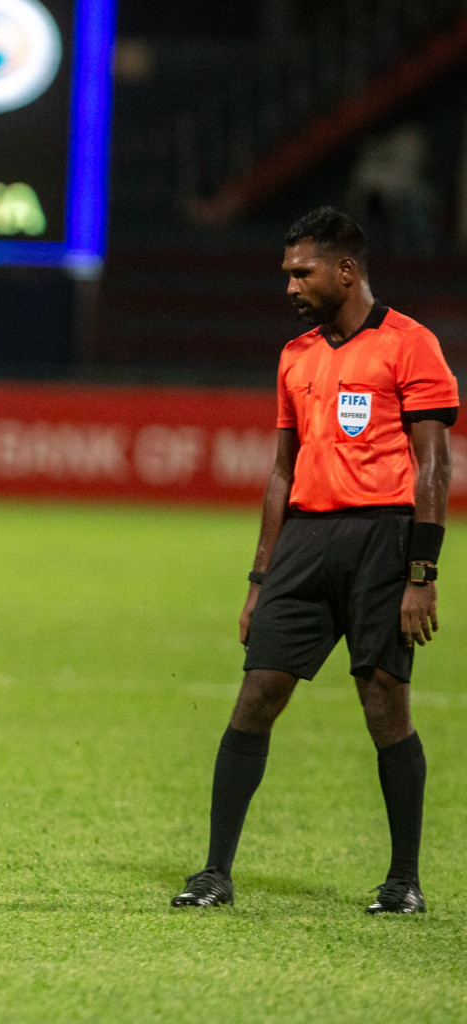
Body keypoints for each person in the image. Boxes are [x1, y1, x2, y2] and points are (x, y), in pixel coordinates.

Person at [172, 207, 455, 914]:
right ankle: (214, 872)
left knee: (383, 702)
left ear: (347, 269)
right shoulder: (296, 356)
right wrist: (259, 579)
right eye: (287, 272)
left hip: (383, 539)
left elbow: (434, 468)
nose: (291, 285)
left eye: (304, 271)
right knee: (256, 695)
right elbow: (279, 472)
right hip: (303, 541)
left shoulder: (410, 345)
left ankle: (403, 882)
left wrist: (423, 574)